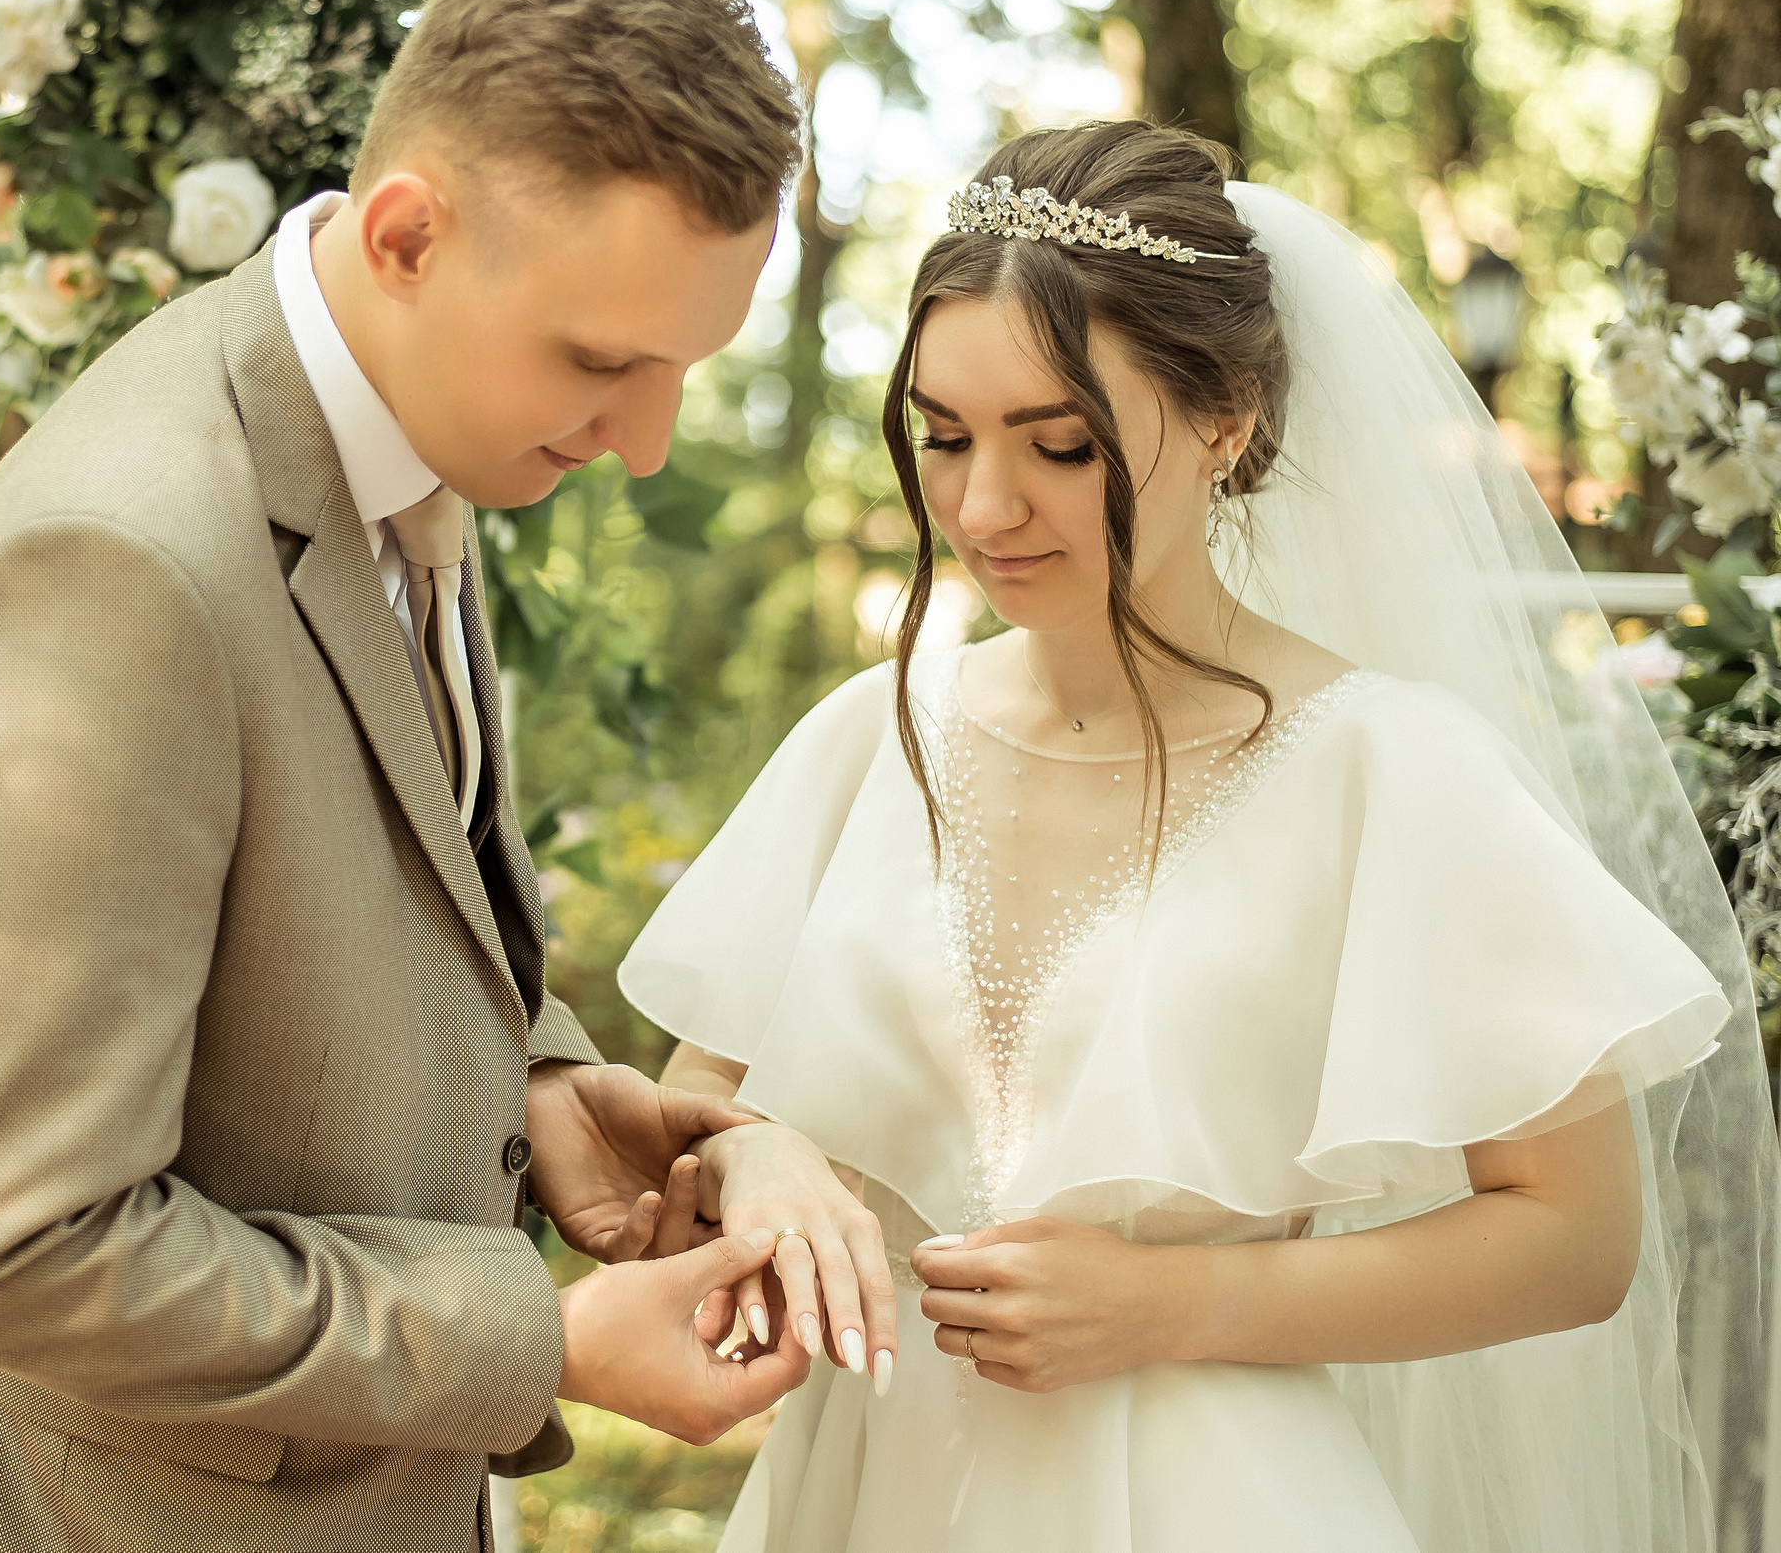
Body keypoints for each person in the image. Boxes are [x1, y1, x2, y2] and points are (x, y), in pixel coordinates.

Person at [622, 120, 1779, 1551]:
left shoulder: (1388, 768)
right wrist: (755, 1165)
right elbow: (699, 1112)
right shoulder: (873, 737)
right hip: (858, 1494)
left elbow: (1575, 1236)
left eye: (1059, 443)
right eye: (943, 434)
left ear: (1225, 414)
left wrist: (1172, 1301)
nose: (985, 507)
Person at [0, 0, 815, 1553]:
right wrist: (539, 1339)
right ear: (408, 235)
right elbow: (10, 1244)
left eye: (683, 368)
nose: (645, 442)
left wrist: (540, 1077)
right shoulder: (119, 570)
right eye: (605, 364)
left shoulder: (412, 431)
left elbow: (353, 886)